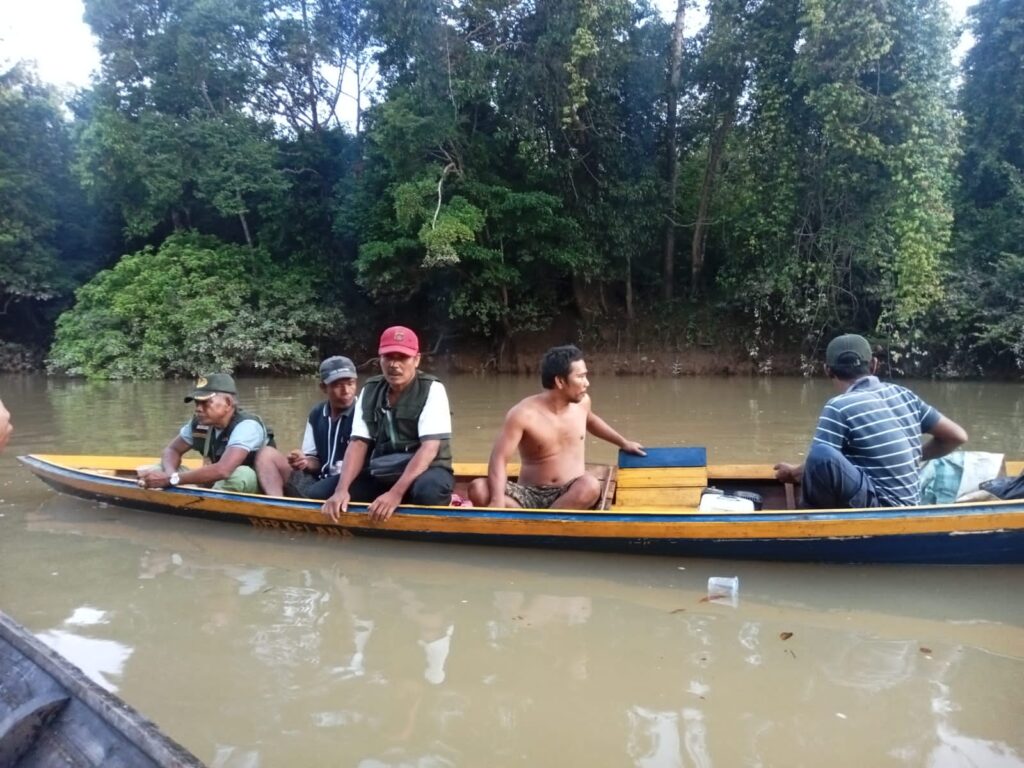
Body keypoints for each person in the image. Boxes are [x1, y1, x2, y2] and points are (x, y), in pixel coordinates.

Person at [773, 333, 968, 508]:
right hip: (910, 504)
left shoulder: (839, 406)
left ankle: (810, 527)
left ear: (827, 370)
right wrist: (914, 456)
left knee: (821, 454)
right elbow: (957, 436)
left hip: (884, 509)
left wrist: (792, 473)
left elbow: (817, 466)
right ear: (874, 365)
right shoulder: (904, 394)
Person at [467, 345, 646, 509]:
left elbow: (591, 421)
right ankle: (540, 523)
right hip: (527, 495)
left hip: (569, 493)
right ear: (560, 381)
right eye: (580, 377)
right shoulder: (523, 414)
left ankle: (536, 524)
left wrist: (623, 443)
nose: (587, 383)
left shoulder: (583, 403)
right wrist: (497, 501)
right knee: (478, 488)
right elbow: (499, 459)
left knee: (590, 485)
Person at [322, 327, 454, 523]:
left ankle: (398, 501)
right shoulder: (370, 389)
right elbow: (358, 443)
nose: (394, 364)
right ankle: (385, 502)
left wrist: (395, 494)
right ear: (380, 360)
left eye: (402, 357)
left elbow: (429, 448)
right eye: (388, 357)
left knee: (428, 493)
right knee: (320, 494)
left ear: (416, 360)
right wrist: (341, 490)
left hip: (427, 469)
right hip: (384, 470)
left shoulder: (432, 389)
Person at [137, 374, 270, 493]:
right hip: (214, 482)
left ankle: (201, 502)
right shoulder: (200, 423)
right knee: (155, 469)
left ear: (228, 403)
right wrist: (171, 475)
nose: (198, 409)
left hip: (250, 484)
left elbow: (223, 470)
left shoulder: (247, 426)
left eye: (205, 403)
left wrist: (172, 480)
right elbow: (172, 450)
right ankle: (188, 497)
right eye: (197, 403)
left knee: (240, 474)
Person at [256, 356, 358, 498]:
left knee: (316, 492)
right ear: (323, 387)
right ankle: (277, 505)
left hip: (349, 485)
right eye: (337, 385)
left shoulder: (363, 412)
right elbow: (314, 460)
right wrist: (303, 461)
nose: (346, 391)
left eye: (351, 383)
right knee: (266, 454)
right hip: (320, 480)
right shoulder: (316, 414)